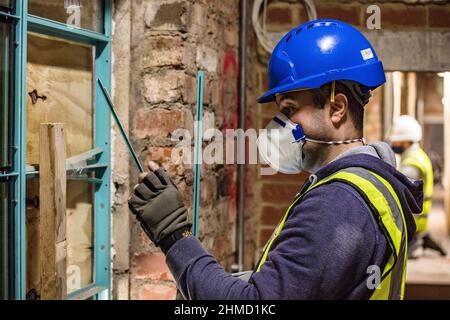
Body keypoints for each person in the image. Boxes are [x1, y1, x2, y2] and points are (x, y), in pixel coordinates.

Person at [128, 19, 423, 299]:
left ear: (336, 108)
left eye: (291, 109)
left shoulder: (338, 205)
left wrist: (172, 235)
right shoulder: (372, 184)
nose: (280, 124)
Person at [390, 115, 447, 258]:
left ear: (407, 141)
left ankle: (416, 243)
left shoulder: (412, 163)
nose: (393, 143)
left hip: (413, 220)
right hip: (419, 219)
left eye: (397, 139)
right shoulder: (417, 156)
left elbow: (399, 189)